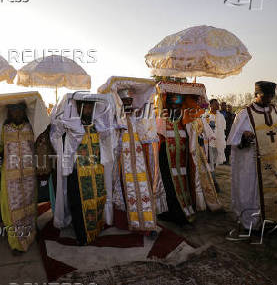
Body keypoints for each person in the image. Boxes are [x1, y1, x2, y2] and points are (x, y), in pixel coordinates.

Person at [0, 92, 49, 255]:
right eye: (13, 110)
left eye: (19, 109)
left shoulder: (32, 129)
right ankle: (16, 243)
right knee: (11, 209)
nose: (17, 113)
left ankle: (30, 234)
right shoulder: (4, 130)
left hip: (29, 175)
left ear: (24, 111)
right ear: (8, 112)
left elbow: (40, 150)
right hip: (10, 177)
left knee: (30, 206)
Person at [228, 81, 277, 230]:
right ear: (256, 95)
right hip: (252, 164)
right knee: (253, 192)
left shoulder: (276, 111)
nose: (268, 99)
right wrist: (244, 138)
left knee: (276, 192)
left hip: (274, 164)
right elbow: (234, 141)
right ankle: (254, 223)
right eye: (265, 96)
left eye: (271, 96)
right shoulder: (244, 114)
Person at [50, 92, 115, 245]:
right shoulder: (70, 127)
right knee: (78, 204)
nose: (88, 110)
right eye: (84, 107)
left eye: (90, 107)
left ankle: (96, 229)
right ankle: (83, 236)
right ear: (77, 108)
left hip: (97, 171)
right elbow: (57, 140)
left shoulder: (97, 126)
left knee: (99, 200)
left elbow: (108, 144)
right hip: (78, 173)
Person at [98, 77, 159, 235]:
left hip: (137, 161)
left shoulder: (136, 116)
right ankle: (124, 220)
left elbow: (146, 135)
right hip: (120, 161)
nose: (128, 104)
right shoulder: (115, 118)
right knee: (122, 191)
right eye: (124, 101)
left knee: (141, 190)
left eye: (129, 101)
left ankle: (144, 220)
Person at [154, 81, 222, 225]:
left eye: (178, 102)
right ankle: (172, 211)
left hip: (183, 159)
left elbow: (202, 111)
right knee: (168, 185)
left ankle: (185, 210)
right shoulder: (161, 117)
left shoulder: (187, 119)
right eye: (172, 102)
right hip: (166, 157)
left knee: (183, 184)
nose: (175, 105)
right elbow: (158, 138)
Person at [204, 99, 226, 192]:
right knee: (210, 162)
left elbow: (224, 127)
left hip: (219, 143)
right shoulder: (206, 116)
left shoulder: (221, 116)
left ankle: (212, 180)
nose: (218, 106)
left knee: (215, 162)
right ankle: (214, 183)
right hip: (210, 143)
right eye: (216, 104)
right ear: (210, 105)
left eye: (218, 105)